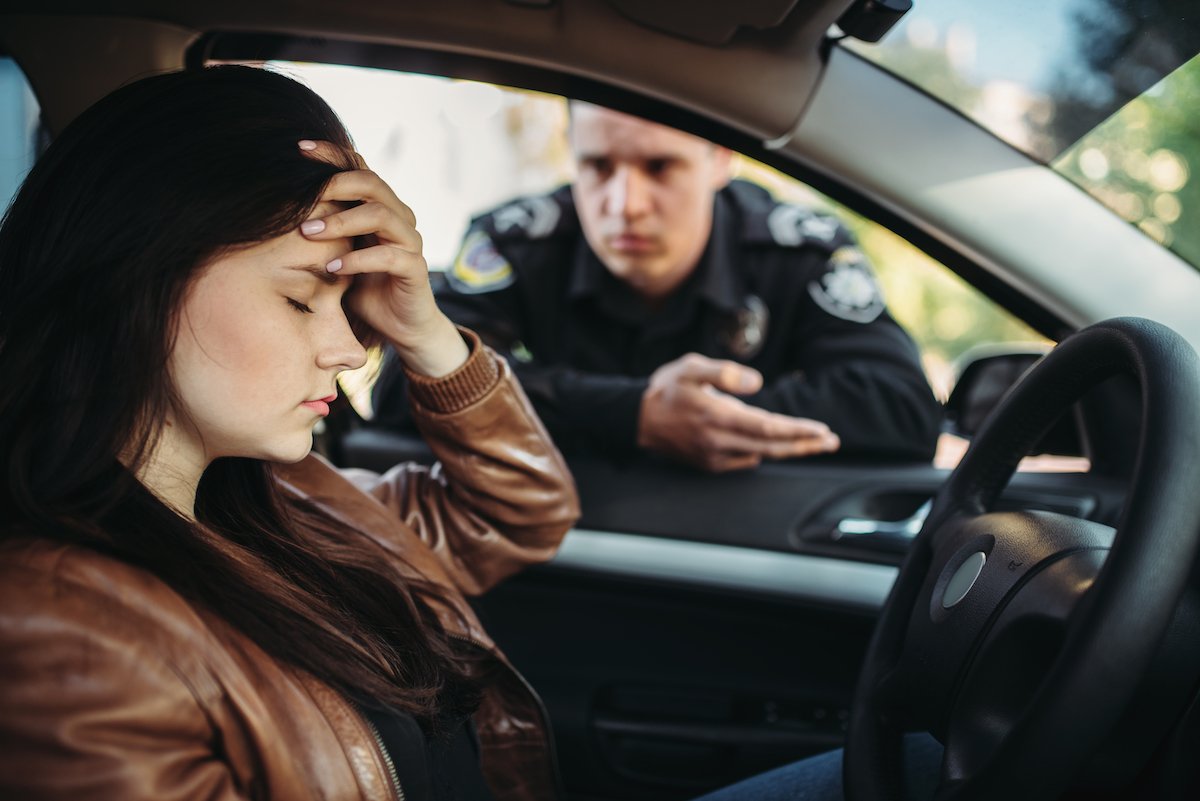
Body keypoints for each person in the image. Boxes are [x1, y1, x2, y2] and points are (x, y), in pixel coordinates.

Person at [0, 65, 580, 801]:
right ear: (134, 279)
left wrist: (424, 330)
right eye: (302, 298)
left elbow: (521, 513)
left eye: (347, 300)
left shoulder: (279, 500)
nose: (348, 350)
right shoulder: (61, 632)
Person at [371, 102, 942, 472]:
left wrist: (700, 417)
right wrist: (634, 413)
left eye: (660, 167)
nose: (624, 206)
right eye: (597, 167)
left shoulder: (796, 248)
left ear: (720, 160)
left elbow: (900, 408)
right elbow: (403, 386)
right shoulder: (518, 242)